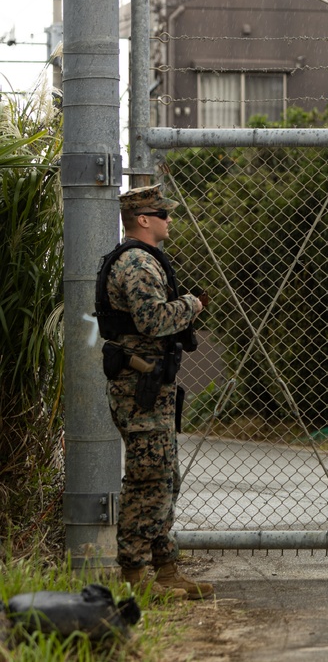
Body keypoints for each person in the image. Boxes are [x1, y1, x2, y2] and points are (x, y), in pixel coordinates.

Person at [94, 184, 213, 599]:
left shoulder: (142, 260)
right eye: (162, 214)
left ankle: (165, 569)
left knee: (163, 478)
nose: (169, 220)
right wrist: (192, 306)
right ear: (143, 219)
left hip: (149, 385)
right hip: (137, 387)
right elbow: (152, 320)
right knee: (148, 479)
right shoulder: (138, 264)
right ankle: (134, 576)